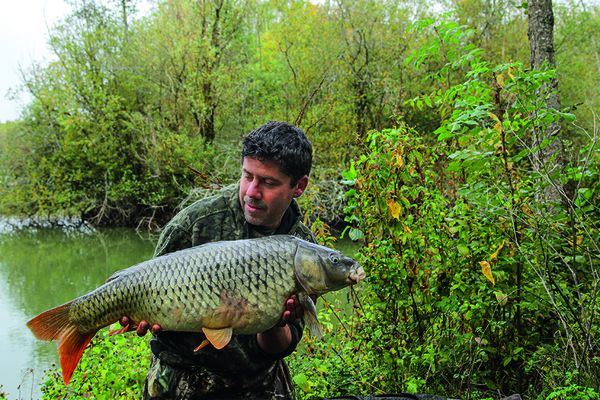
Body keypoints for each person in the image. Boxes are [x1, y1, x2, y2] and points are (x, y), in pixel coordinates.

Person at [120, 121, 315, 399]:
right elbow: (149, 288)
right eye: (247, 176)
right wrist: (141, 314)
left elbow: (279, 346)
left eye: (268, 182)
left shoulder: (304, 251)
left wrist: (276, 320)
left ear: (299, 186)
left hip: (258, 382)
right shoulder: (194, 225)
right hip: (184, 379)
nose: (251, 192)